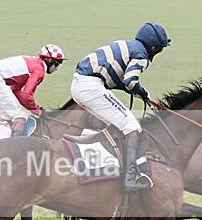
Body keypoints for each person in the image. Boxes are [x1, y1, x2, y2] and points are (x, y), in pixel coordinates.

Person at [70, 22, 170, 191]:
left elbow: (117, 79)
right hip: (91, 86)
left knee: (118, 123)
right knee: (131, 127)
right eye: (159, 49)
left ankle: (107, 167)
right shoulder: (141, 55)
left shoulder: (129, 45)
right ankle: (130, 178)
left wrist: (141, 93)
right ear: (153, 47)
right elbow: (130, 82)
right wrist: (140, 91)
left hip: (83, 84)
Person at [0, 44, 66, 136]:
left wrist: (35, 108)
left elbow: (16, 90)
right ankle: (17, 145)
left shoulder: (34, 62)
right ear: (49, 60)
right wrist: (37, 111)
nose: (56, 68)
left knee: (8, 116)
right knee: (21, 116)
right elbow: (27, 95)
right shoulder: (39, 70)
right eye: (56, 64)